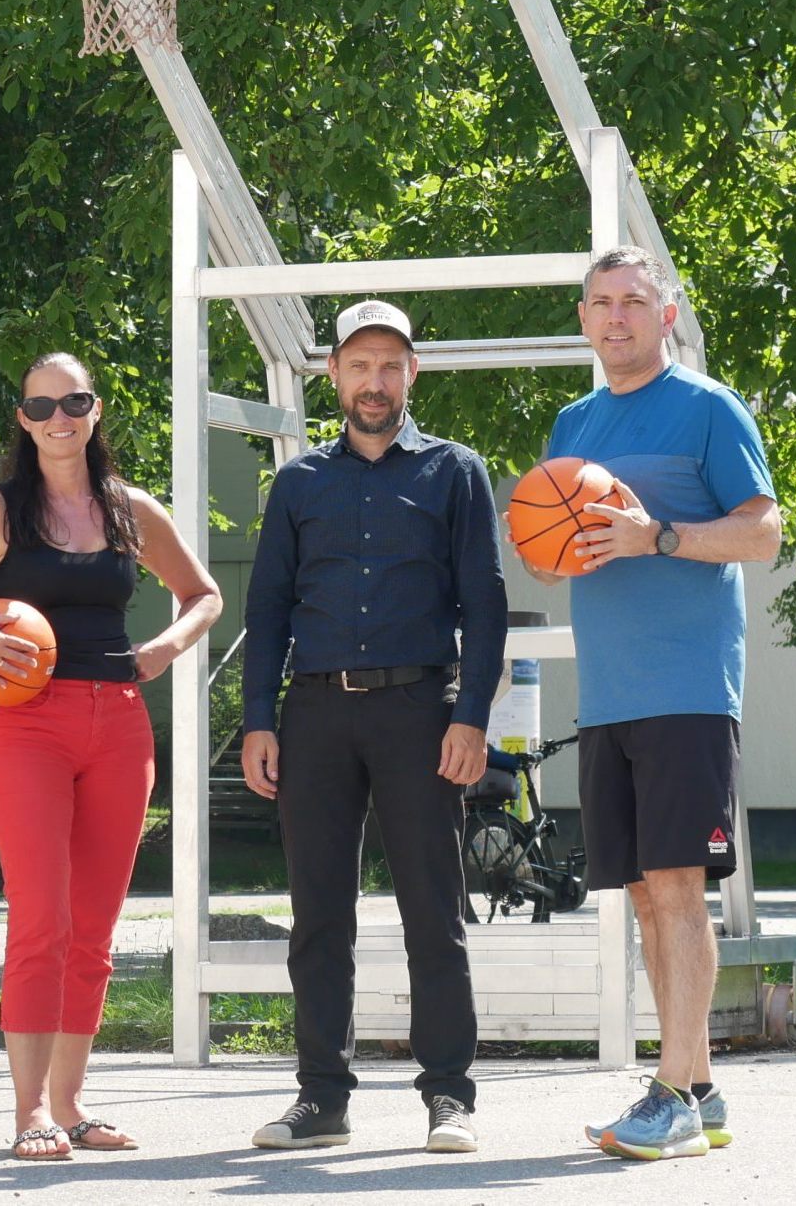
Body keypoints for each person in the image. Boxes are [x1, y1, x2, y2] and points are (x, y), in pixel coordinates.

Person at [0, 352, 221, 1161]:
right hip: (27, 727)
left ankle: (72, 1104)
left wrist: (163, 648)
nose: (59, 417)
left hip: (118, 723)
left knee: (95, 930)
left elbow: (204, 593)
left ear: (95, 409)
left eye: (73, 402)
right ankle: (27, 1116)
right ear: (22, 417)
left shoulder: (128, 507)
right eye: (41, 404)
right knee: (41, 921)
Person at [522, 247, 779, 1162]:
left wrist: (655, 535)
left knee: (676, 889)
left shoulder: (708, 408)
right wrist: (544, 545)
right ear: (584, 319)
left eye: (635, 301)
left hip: (686, 690)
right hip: (609, 698)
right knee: (640, 894)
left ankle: (669, 1091)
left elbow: (763, 533)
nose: (618, 316)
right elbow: (549, 542)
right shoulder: (573, 421)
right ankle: (698, 1088)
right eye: (602, 303)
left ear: (665, 315)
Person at [241, 300, 507, 1155]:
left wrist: (469, 716)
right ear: (335, 377)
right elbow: (267, 607)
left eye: (390, 365)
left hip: (417, 714)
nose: (375, 381)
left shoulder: (453, 472)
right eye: (360, 365)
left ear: (411, 376)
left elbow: (486, 607)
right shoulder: (299, 482)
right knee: (319, 912)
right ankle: (321, 1097)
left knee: (434, 910)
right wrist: (256, 722)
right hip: (313, 714)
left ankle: (448, 1097)